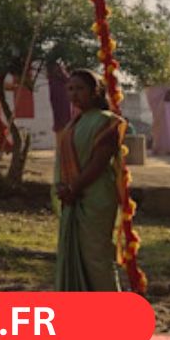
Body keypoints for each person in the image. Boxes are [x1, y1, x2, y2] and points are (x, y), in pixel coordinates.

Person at [54, 70, 124, 291]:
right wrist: (64, 188)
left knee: (97, 258)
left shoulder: (107, 121)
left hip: (95, 197)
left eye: (80, 88)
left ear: (95, 91)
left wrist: (74, 187)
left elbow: (99, 162)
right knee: (74, 254)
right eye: (70, 89)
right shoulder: (73, 123)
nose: (74, 94)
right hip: (72, 197)